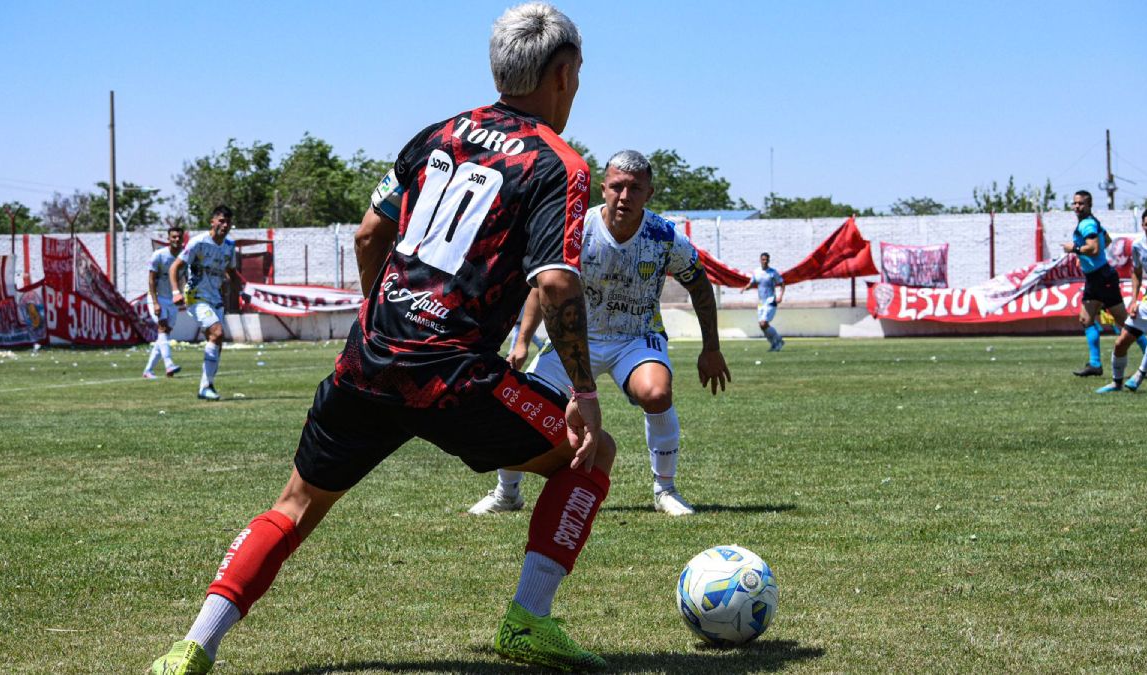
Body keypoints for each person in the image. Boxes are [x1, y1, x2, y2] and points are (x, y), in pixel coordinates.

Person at [151, 4, 613, 673]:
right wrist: (586, 392)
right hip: (453, 375)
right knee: (590, 456)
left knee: (295, 505)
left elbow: (370, 232)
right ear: (564, 74)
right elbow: (558, 284)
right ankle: (527, 622)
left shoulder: (438, 134)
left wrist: (385, 311)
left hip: (368, 360)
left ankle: (193, 645)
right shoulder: (557, 164)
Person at [470, 150, 731, 518]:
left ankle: (665, 489)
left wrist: (711, 348)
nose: (625, 196)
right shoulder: (576, 231)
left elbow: (701, 287)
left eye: (635, 189)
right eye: (617, 187)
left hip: (636, 337)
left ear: (649, 193)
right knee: (526, 405)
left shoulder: (665, 236)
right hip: (576, 339)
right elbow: (542, 286)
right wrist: (523, 340)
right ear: (603, 188)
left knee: (656, 393)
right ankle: (506, 492)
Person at [1064, 190, 1145, 377]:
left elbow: (1093, 248)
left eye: (1081, 203)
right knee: (1085, 319)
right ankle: (1095, 365)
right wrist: (1084, 257)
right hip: (1095, 278)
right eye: (1075, 203)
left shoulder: (1088, 224)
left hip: (1102, 278)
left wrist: (1075, 249)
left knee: (1124, 321)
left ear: (1089, 205)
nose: (1077, 206)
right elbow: (1106, 241)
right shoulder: (1091, 222)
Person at [170, 206, 237, 401]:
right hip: (196, 295)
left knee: (216, 341)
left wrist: (238, 291)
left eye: (228, 222)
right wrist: (175, 292)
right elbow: (176, 266)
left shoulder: (229, 246)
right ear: (213, 221)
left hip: (215, 297)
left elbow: (231, 271)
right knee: (217, 333)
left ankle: (205, 387)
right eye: (221, 221)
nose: (224, 225)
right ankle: (206, 386)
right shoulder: (198, 242)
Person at [1096, 208, 1147, 393]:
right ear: (1143, 225)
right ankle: (1116, 383)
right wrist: (1134, 301)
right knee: (1121, 343)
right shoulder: (1137, 246)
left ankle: (1140, 375)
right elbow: (1136, 272)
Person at [142, 225, 185, 379]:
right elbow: (151, 280)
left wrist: (181, 295)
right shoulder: (159, 255)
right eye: (173, 237)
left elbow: (183, 279)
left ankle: (148, 370)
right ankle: (169, 364)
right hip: (157, 297)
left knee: (164, 335)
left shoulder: (184, 257)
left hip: (171, 299)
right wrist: (155, 303)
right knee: (162, 328)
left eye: (179, 237)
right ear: (168, 239)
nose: (176, 239)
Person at [741, 252, 785, 350]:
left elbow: (782, 284)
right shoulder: (757, 272)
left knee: (764, 323)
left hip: (771, 300)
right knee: (762, 326)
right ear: (760, 260)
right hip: (761, 302)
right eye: (763, 259)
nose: (765, 261)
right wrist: (745, 288)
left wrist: (780, 296)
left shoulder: (773, 272)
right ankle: (775, 343)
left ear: (769, 260)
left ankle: (778, 340)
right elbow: (752, 283)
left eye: (766, 260)